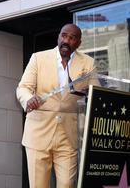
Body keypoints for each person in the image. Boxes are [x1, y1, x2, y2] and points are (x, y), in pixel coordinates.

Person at [16, 23, 98, 188]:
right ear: (59, 36)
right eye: (64, 35)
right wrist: (28, 99)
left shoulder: (88, 63)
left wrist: (88, 93)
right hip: (38, 134)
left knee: (67, 184)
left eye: (72, 38)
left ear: (79, 43)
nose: (66, 40)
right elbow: (23, 88)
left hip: (68, 136)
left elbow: (96, 93)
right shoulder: (38, 58)